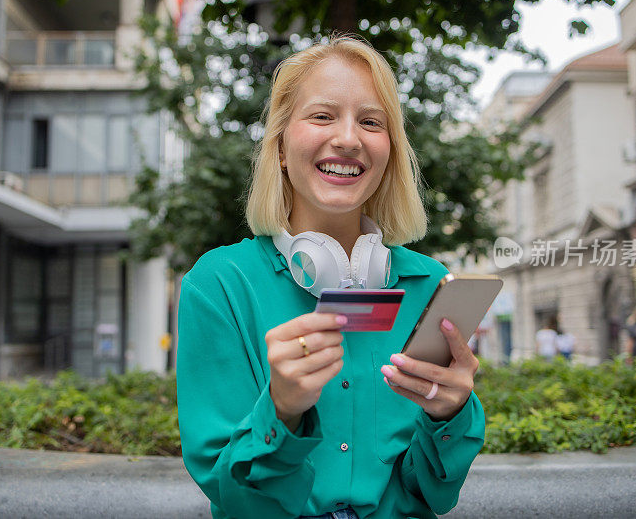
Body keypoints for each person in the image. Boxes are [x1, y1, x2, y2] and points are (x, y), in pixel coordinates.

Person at [176, 36, 485, 519]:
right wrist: (281, 411)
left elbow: (434, 496)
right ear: (279, 147)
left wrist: (449, 415)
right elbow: (235, 499)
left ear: (390, 153)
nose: (348, 138)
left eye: (371, 122)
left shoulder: (431, 286)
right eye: (322, 116)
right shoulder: (217, 285)